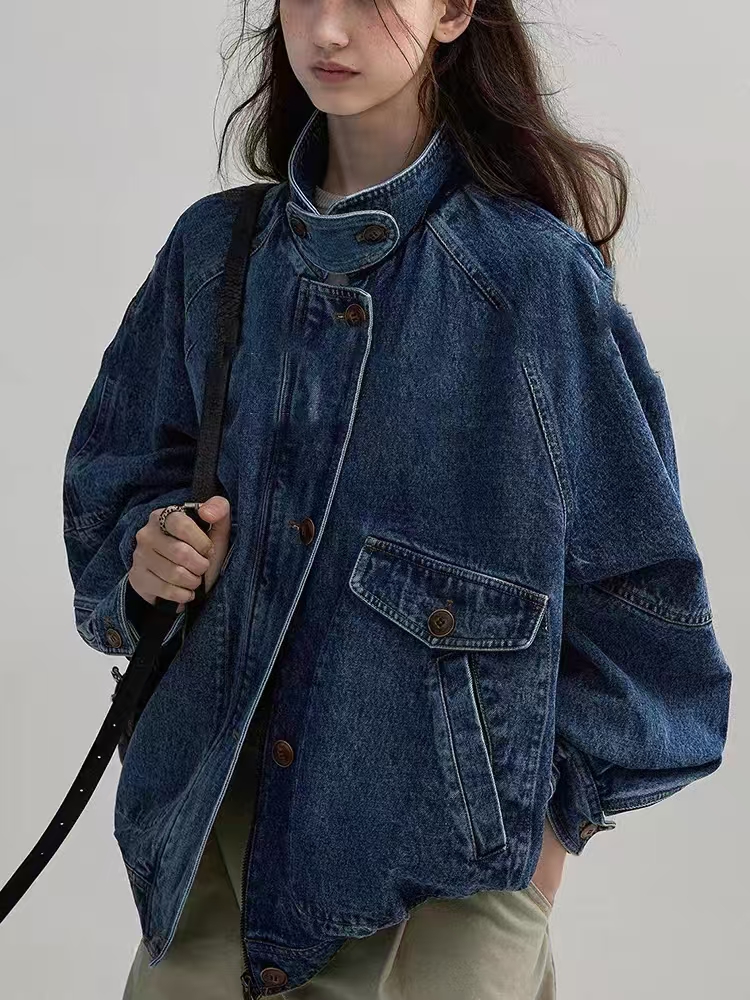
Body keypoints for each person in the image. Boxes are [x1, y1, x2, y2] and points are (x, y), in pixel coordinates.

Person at [62, 0, 732, 997]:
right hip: (208, 861)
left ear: (454, 10)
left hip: (437, 897)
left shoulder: (533, 282)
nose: (329, 32)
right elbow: (114, 486)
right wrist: (149, 552)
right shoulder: (215, 253)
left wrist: (541, 856)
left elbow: (647, 616)